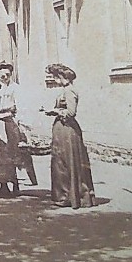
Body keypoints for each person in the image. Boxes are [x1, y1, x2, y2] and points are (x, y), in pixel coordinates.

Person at [41, 63, 95, 208]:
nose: (53, 79)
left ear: (61, 77)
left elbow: (71, 112)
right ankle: (64, 195)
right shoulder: (65, 90)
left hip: (68, 130)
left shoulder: (70, 91)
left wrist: (54, 112)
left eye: (54, 76)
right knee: (61, 162)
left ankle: (70, 197)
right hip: (62, 130)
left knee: (66, 162)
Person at [0, 62, 36, 197]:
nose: (4, 77)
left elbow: (19, 109)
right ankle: (3, 186)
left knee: (11, 156)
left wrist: (22, 127)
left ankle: (15, 186)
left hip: (11, 126)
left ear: (11, 74)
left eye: (7, 75)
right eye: (2, 75)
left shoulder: (15, 89)